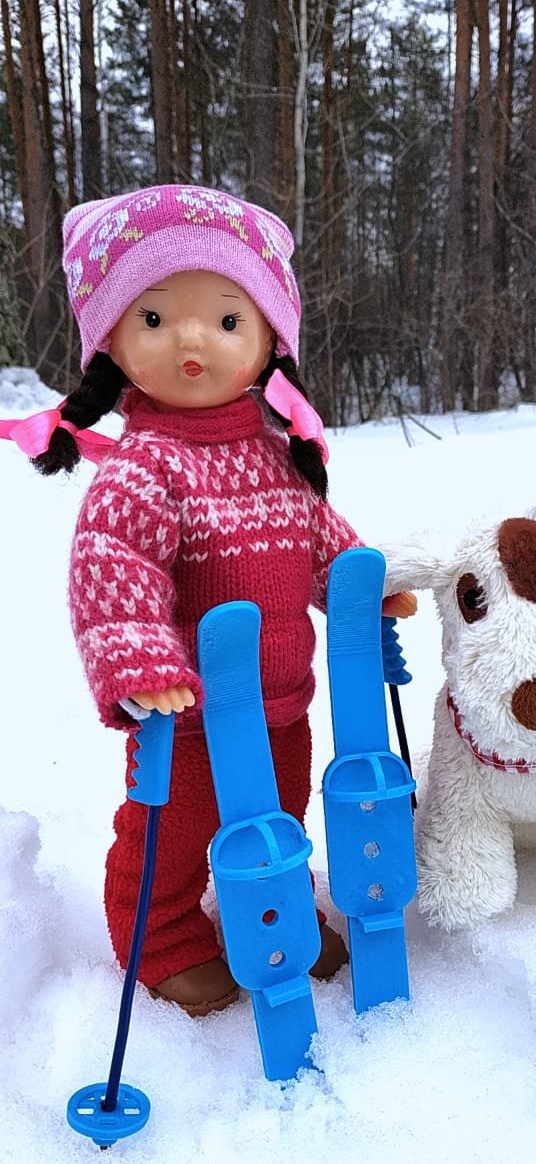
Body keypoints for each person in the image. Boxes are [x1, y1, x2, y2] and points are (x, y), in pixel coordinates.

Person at [11, 184, 414, 1016]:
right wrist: (138, 661)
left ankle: (268, 905)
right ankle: (154, 930)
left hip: (282, 704)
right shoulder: (144, 469)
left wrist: (361, 590)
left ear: (269, 339)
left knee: (280, 809)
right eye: (154, 319)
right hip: (189, 712)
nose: (193, 341)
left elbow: (316, 535)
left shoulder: (275, 454)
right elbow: (112, 567)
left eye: (227, 320)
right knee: (178, 827)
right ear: (112, 344)